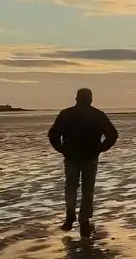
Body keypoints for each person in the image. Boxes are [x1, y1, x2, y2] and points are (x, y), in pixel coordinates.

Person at [48, 88, 118, 237]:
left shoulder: (69, 114)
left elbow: (112, 134)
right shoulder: (95, 115)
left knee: (73, 187)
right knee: (85, 189)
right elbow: (53, 135)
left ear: (77, 98)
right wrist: (100, 148)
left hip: (81, 156)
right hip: (81, 156)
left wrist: (100, 148)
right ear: (90, 99)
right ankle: (80, 218)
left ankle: (76, 217)